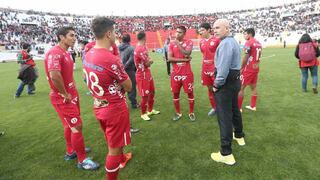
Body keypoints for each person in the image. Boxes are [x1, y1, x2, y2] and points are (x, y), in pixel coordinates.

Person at [84, 17, 133, 180]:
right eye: (114, 32)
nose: (116, 35)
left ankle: (121, 157)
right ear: (108, 34)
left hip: (99, 105)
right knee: (114, 148)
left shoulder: (89, 53)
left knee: (112, 141)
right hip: (114, 109)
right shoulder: (110, 59)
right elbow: (129, 86)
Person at [44, 26, 99, 170]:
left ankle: (71, 151)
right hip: (63, 97)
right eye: (71, 35)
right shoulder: (55, 53)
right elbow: (54, 75)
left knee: (70, 125)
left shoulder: (66, 52)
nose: (74, 38)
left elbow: (66, 75)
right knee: (76, 126)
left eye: (75, 35)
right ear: (62, 37)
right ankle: (82, 161)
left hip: (71, 95)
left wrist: (72, 91)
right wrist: (64, 93)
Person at [210, 19, 245, 165]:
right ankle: (239, 136)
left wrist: (216, 85)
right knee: (234, 109)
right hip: (234, 81)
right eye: (214, 28)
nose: (215, 30)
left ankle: (226, 153)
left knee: (224, 117)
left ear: (227, 28)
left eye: (218, 27)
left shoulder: (225, 44)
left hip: (226, 82)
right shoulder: (233, 41)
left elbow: (223, 69)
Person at [168, 26, 195, 121]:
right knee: (175, 94)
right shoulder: (171, 44)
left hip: (186, 73)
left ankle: (191, 112)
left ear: (184, 34)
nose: (177, 34)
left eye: (179, 32)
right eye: (176, 32)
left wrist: (178, 44)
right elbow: (170, 59)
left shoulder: (189, 42)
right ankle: (178, 113)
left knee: (190, 93)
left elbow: (187, 53)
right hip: (175, 74)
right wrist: (185, 60)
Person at [134, 31, 160, 121]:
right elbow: (148, 63)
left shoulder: (144, 47)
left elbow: (148, 60)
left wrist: (149, 61)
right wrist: (150, 61)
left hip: (147, 73)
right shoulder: (139, 49)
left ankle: (150, 110)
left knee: (152, 92)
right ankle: (143, 113)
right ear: (144, 37)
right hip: (142, 75)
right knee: (145, 95)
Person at [198, 22, 220, 116]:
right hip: (205, 67)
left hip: (214, 67)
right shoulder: (201, 41)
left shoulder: (217, 40)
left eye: (202, 30)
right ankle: (214, 108)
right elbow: (203, 53)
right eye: (200, 30)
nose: (200, 32)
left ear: (208, 30)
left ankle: (222, 108)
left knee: (218, 88)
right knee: (210, 88)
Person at [238, 28, 262, 112]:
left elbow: (246, 56)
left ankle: (238, 108)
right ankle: (253, 106)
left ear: (250, 34)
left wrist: (241, 68)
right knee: (253, 87)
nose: (244, 36)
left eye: (245, 34)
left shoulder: (249, 42)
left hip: (249, 68)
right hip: (256, 68)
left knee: (240, 87)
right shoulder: (258, 43)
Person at [119, 34, 139, 109]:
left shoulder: (118, 47)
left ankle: (121, 103)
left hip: (120, 70)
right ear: (129, 40)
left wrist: (120, 68)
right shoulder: (131, 48)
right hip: (129, 70)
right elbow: (131, 60)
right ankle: (134, 103)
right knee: (131, 87)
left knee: (121, 86)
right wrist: (124, 67)